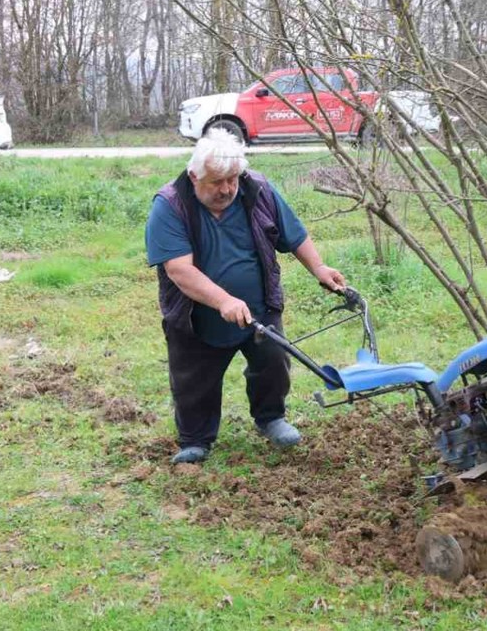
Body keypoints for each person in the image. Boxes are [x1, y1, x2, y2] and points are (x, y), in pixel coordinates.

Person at [145, 129, 346, 464]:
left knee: (272, 364)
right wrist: (223, 300)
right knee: (194, 379)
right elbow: (179, 270)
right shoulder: (170, 205)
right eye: (216, 182)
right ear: (195, 176)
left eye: (232, 179)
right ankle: (196, 439)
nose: (227, 189)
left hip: (259, 306)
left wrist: (320, 268)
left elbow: (293, 234)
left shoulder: (258, 190)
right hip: (196, 315)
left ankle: (271, 418)